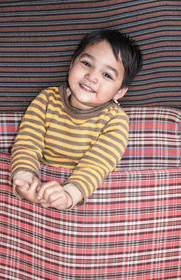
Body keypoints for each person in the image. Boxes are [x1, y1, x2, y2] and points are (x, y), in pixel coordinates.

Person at [11, 29, 142, 210]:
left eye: (107, 75)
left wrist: (69, 195)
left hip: (86, 201)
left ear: (120, 92)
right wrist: (25, 180)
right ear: (72, 64)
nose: (92, 77)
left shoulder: (116, 120)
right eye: (87, 64)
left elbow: (96, 166)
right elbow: (27, 143)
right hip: (40, 193)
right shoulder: (46, 100)